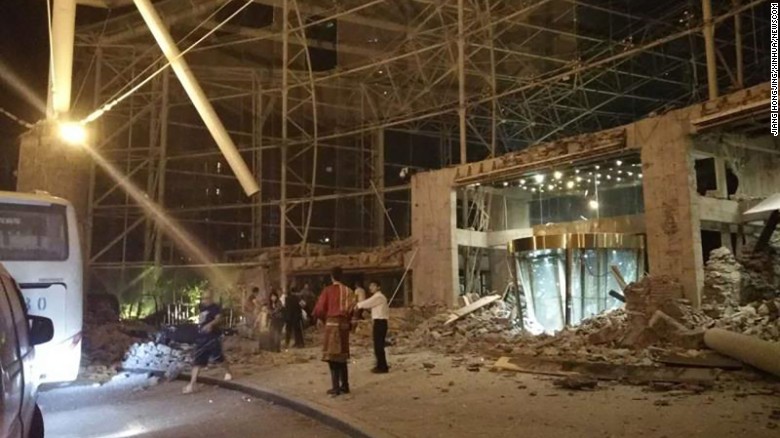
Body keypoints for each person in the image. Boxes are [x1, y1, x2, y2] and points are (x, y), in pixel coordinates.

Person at [313, 267, 356, 396]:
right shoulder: (348, 291)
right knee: (342, 356)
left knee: (332, 357)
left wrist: (321, 318)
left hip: (331, 325)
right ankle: (345, 385)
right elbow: (354, 309)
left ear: (331, 276)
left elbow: (319, 309)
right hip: (343, 326)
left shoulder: (327, 290)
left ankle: (335, 387)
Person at [183, 291, 233, 394]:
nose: (204, 300)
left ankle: (228, 372)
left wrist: (210, 325)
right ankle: (192, 383)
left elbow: (218, 318)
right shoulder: (201, 307)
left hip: (213, 337)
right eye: (203, 298)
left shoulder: (215, 307)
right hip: (202, 337)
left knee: (219, 358)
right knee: (197, 360)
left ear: (211, 298)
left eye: (206, 298)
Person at [356, 280, 390, 373]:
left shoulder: (378, 297)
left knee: (379, 345)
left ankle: (382, 367)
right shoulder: (377, 297)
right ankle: (380, 364)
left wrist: (357, 305)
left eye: (373, 286)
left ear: (378, 287)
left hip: (380, 322)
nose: (371, 287)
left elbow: (366, 303)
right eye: (370, 286)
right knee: (377, 345)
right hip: (378, 322)